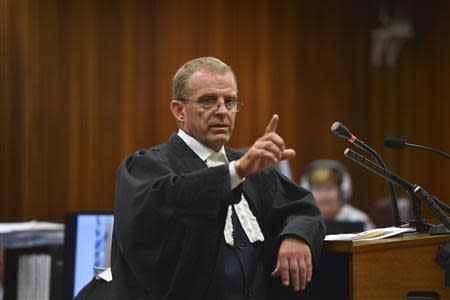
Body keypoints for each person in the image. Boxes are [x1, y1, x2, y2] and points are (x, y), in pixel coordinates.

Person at [111, 57, 325, 300]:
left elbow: (302, 207)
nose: (222, 111)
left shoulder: (250, 167)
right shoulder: (146, 165)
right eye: (208, 100)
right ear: (179, 110)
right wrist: (236, 172)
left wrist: (296, 236)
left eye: (230, 101)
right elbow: (173, 199)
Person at [300, 160, 375, 231]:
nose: (323, 196)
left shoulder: (358, 219)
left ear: (342, 191)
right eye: (318, 188)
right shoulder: (299, 222)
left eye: (329, 188)